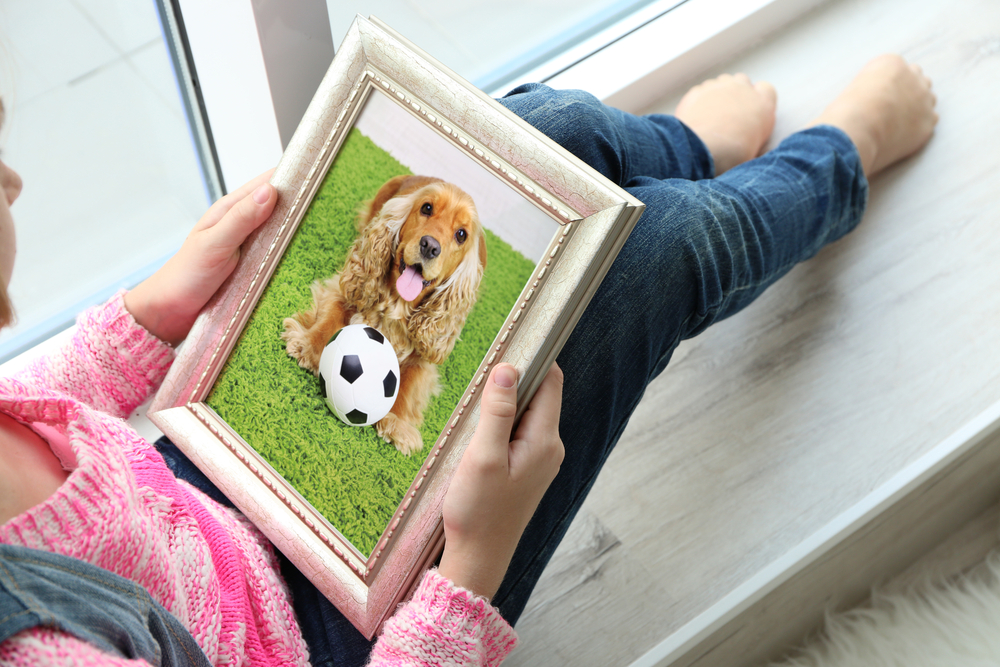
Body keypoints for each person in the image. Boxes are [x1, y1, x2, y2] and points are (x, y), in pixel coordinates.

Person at [0, 51, 936, 666]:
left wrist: (149, 312)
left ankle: (685, 145)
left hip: (196, 478)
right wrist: (473, 564)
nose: (15, 174)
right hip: (328, 630)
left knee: (547, 132)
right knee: (664, 253)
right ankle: (834, 165)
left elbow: (31, 410)